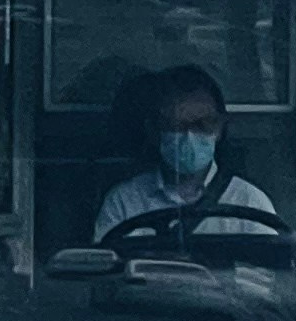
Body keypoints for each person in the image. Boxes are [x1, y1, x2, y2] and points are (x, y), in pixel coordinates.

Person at [94, 66, 278, 240]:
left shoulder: (249, 202)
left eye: (202, 125)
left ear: (220, 128)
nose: (189, 136)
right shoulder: (124, 202)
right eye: (176, 126)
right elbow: (105, 267)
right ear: (153, 130)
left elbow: (268, 270)